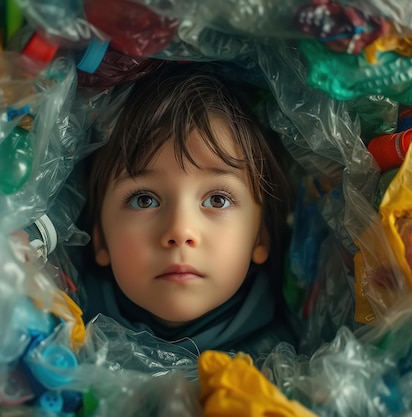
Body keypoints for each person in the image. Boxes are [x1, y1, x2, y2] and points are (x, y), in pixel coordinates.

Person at [77, 63, 296, 358]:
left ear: (260, 238)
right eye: (144, 200)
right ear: (101, 238)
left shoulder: (286, 362)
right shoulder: (63, 337)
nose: (180, 230)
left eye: (217, 200)